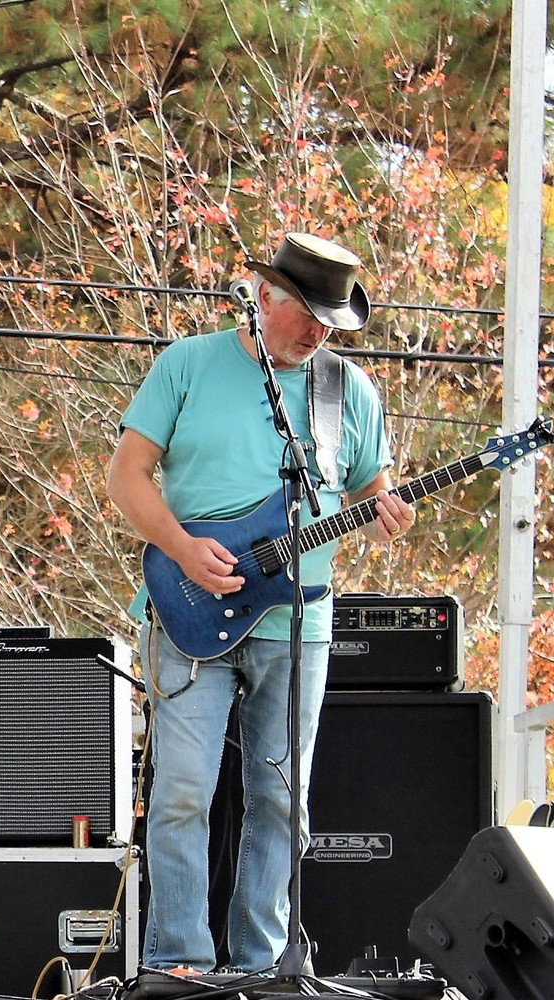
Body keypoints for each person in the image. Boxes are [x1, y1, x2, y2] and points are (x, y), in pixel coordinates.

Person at [107, 233, 415, 976]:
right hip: (187, 613)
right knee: (182, 793)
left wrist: (388, 508)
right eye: (307, 315)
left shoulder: (350, 392)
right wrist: (183, 549)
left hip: (299, 620)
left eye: (330, 324)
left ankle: (261, 965)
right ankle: (177, 964)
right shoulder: (187, 365)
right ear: (264, 295)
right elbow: (125, 478)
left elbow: (371, 487)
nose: (317, 334)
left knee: (282, 801)